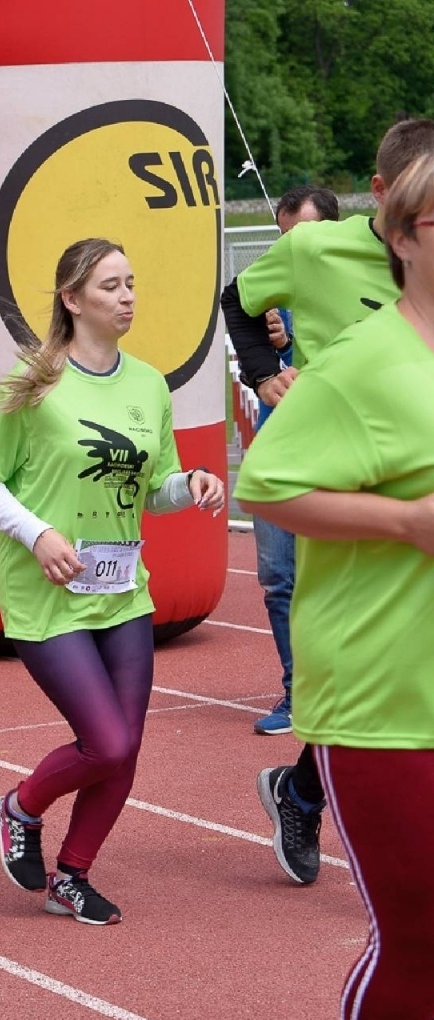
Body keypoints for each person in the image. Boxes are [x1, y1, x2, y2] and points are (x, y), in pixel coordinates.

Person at [236, 154, 434, 1020]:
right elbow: (266, 485)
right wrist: (404, 520)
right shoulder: (365, 361)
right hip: (387, 695)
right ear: (399, 238)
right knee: (419, 943)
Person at [0, 238, 226, 926]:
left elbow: (153, 491)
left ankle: (71, 876)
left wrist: (190, 483)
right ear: (73, 299)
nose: (128, 296)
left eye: (132, 283)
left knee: (127, 746)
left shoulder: (148, 384)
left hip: (122, 589)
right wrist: (37, 533)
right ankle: (20, 808)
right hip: (46, 592)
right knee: (105, 742)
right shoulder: (35, 379)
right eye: (111, 285)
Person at [247, 185, 342, 738]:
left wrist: (297, 338)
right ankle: (296, 693)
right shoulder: (271, 287)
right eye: (282, 237)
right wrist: (269, 357)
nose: (291, 248)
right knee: (279, 578)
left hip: (338, 457)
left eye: (300, 236)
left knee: (343, 580)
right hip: (280, 454)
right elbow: (253, 361)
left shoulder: (360, 282)